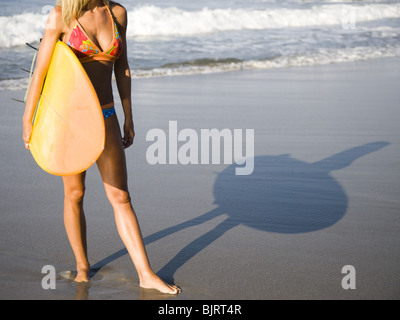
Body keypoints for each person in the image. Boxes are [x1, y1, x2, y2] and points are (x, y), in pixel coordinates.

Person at [22, 0, 181, 295]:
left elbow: (122, 66)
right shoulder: (61, 16)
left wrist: (128, 115)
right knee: (75, 193)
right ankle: (82, 266)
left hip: (107, 116)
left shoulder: (117, 13)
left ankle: (146, 273)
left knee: (121, 196)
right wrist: (28, 119)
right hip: (69, 121)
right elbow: (41, 72)